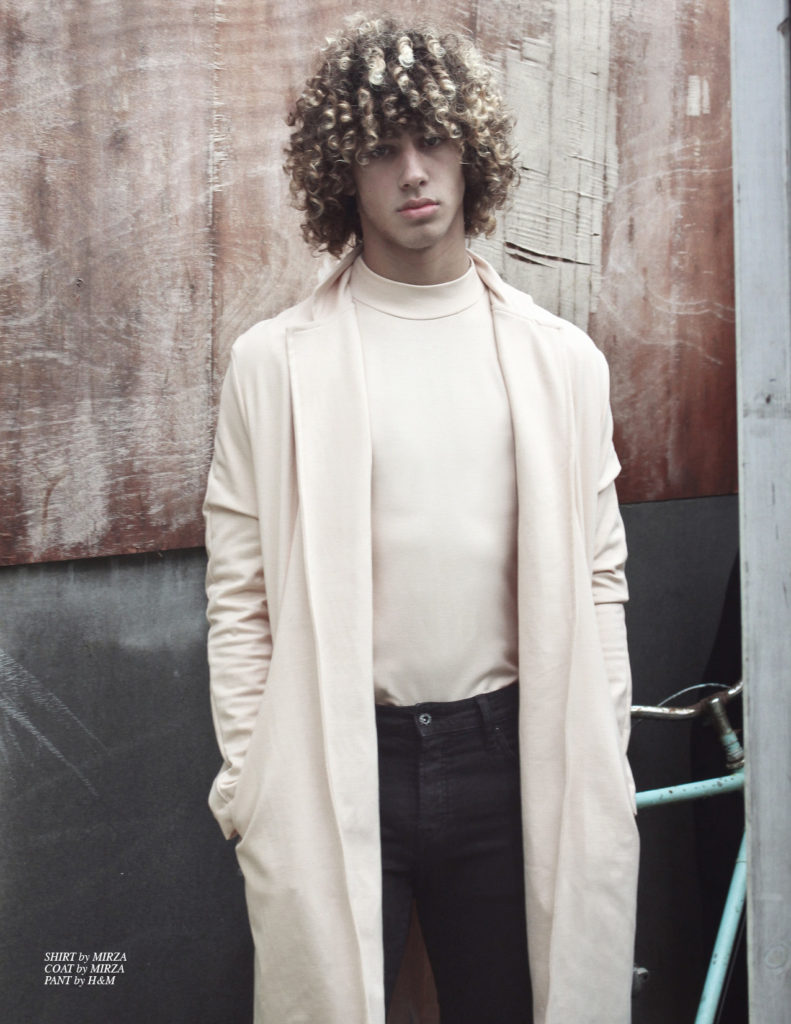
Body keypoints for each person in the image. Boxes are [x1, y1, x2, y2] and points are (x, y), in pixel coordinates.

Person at [203, 15, 639, 1024]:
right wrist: (249, 786)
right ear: (340, 174)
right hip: (333, 753)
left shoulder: (559, 361)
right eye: (379, 148)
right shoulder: (272, 365)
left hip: (513, 754)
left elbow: (599, 575)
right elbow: (239, 599)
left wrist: (602, 739)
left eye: (432, 140)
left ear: (469, 149)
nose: (411, 172)